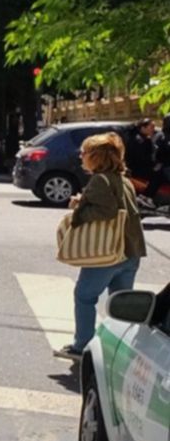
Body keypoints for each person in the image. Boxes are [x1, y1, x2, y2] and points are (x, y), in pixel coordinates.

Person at [56, 133, 147, 361]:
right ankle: (119, 350)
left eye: (84, 153)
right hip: (130, 251)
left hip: (107, 253)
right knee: (121, 304)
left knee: (84, 296)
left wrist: (79, 209)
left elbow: (105, 212)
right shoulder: (124, 180)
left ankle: (82, 346)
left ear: (96, 157)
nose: (81, 157)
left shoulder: (100, 180)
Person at [126, 118, 157, 191]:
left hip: (136, 170)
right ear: (143, 128)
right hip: (138, 171)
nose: (153, 129)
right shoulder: (140, 140)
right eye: (151, 127)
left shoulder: (138, 137)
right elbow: (142, 158)